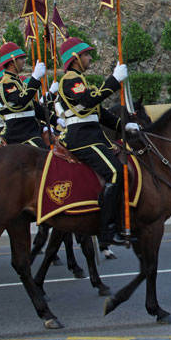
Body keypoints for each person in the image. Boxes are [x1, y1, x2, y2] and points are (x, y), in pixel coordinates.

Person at [56, 36, 138, 246]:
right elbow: (87, 102)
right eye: (86, 54)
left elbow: (99, 114)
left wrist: (123, 126)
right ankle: (106, 230)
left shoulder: (82, 81)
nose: (89, 58)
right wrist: (113, 80)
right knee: (115, 172)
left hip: (93, 135)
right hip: (81, 137)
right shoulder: (70, 80)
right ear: (75, 58)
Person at [0, 42, 49, 148]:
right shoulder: (6, 83)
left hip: (30, 130)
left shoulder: (17, 82)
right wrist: (35, 78)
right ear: (12, 61)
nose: (24, 61)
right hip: (20, 133)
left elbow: (35, 107)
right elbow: (22, 100)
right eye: (21, 58)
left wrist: (56, 120)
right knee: (47, 157)